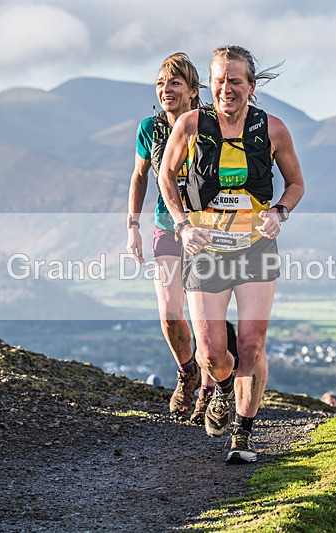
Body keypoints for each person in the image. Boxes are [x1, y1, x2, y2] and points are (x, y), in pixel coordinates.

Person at [159, 45, 305, 463]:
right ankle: (221, 389)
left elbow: (296, 184)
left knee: (252, 344)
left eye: (235, 81)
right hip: (205, 248)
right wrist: (182, 225)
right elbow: (167, 178)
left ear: (251, 86)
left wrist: (280, 212)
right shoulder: (190, 124)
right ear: (211, 84)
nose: (227, 88)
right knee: (211, 351)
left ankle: (242, 435)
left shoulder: (272, 129)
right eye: (220, 80)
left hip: (256, 247)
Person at [126, 52, 217, 422]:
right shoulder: (149, 128)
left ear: (193, 91)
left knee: (206, 319)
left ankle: (211, 390)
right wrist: (131, 226)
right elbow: (140, 177)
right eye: (161, 83)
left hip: (209, 229)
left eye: (175, 83)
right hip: (167, 225)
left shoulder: (210, 124)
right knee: (169, 313)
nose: (166, 89)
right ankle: (187, 372)